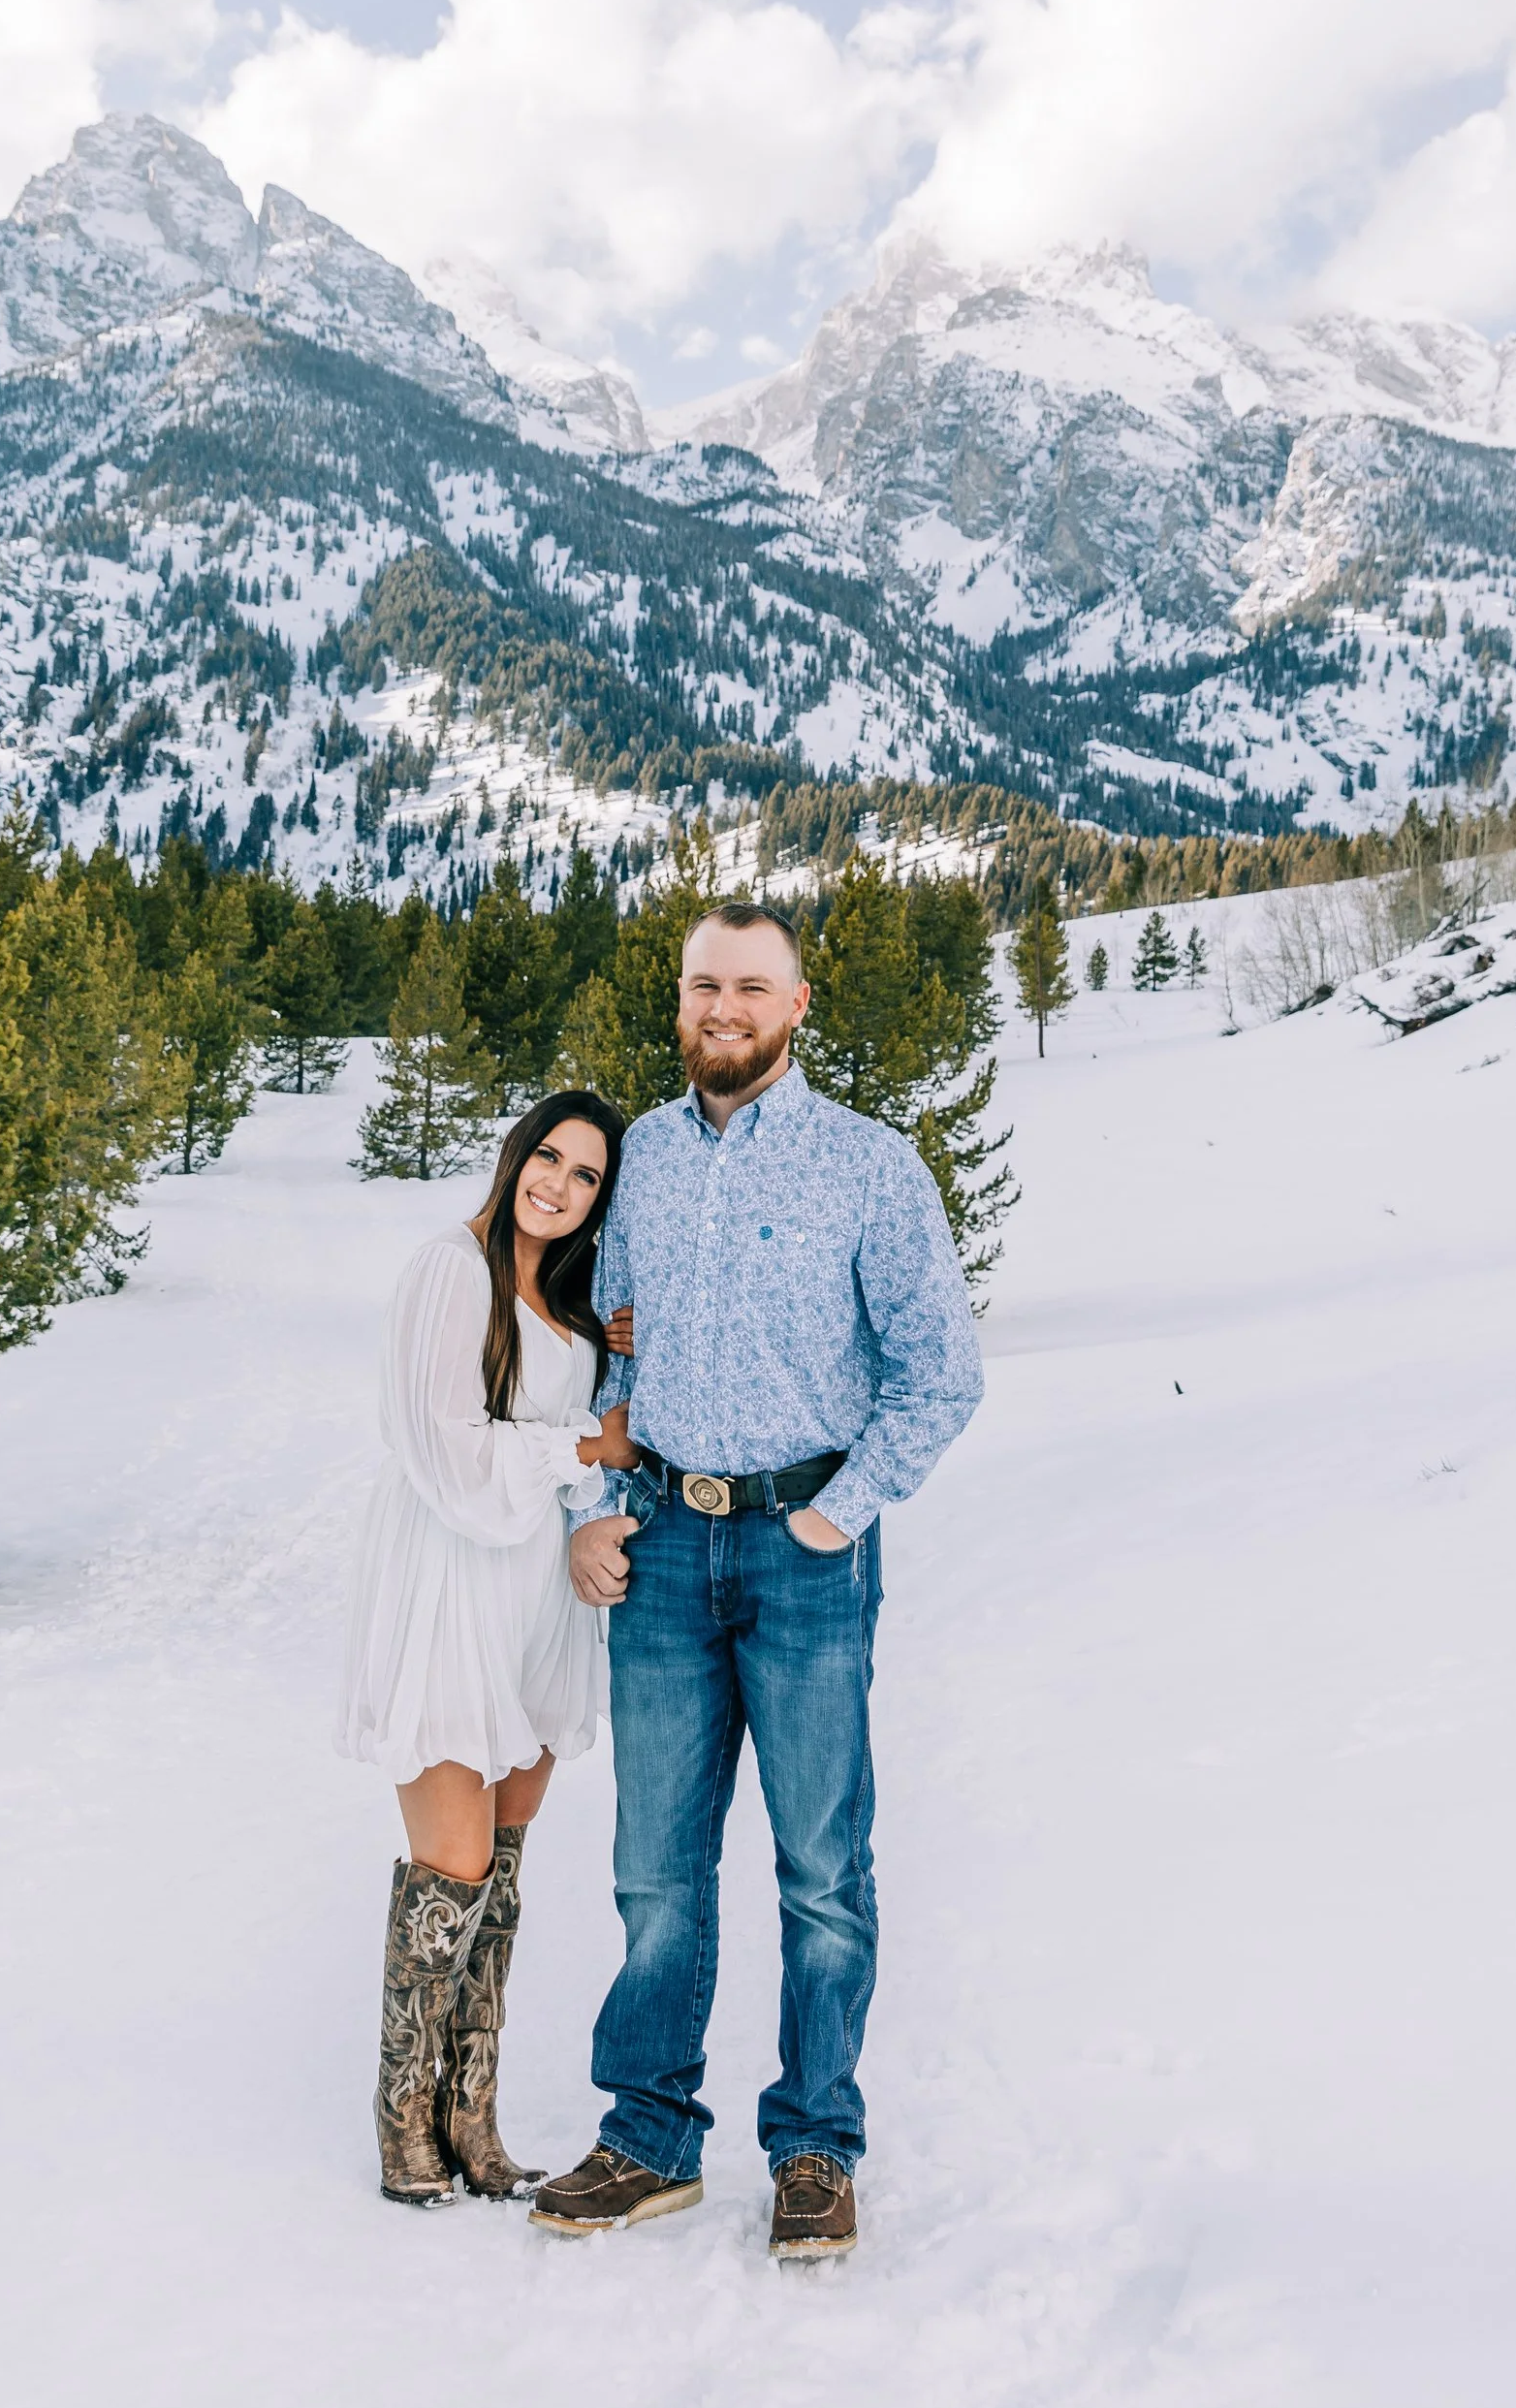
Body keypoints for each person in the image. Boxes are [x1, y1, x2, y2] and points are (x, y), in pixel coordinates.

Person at [527, 900, 984, 2265]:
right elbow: (612, 1360)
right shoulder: (645, 1164)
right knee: (655, 1868)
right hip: (662, 1548)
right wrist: (597, 1507)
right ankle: (650, 2136)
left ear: (796, 1004)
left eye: (749, 986)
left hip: (805, 1554)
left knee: (822, 1869)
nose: (720, 1007)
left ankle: (814, 2146)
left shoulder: (870, 1167)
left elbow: (940, 1373)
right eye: (699, 986)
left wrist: (842, 1515)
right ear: (678, 1005)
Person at [338, 1089, 638, 2208]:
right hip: (452, 1586)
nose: (557, 1184)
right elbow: (444, 1447)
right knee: (450, 1868)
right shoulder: (450, 1270)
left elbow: (599, 1452)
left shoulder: (564, 1304)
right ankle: (401, 2120)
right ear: (515, 1155)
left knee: (502, 1870)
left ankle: (471, 2115)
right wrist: (583, 1435)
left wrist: (611, 1372)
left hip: (537, 1602)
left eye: (586, 1175)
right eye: (546, 1157)